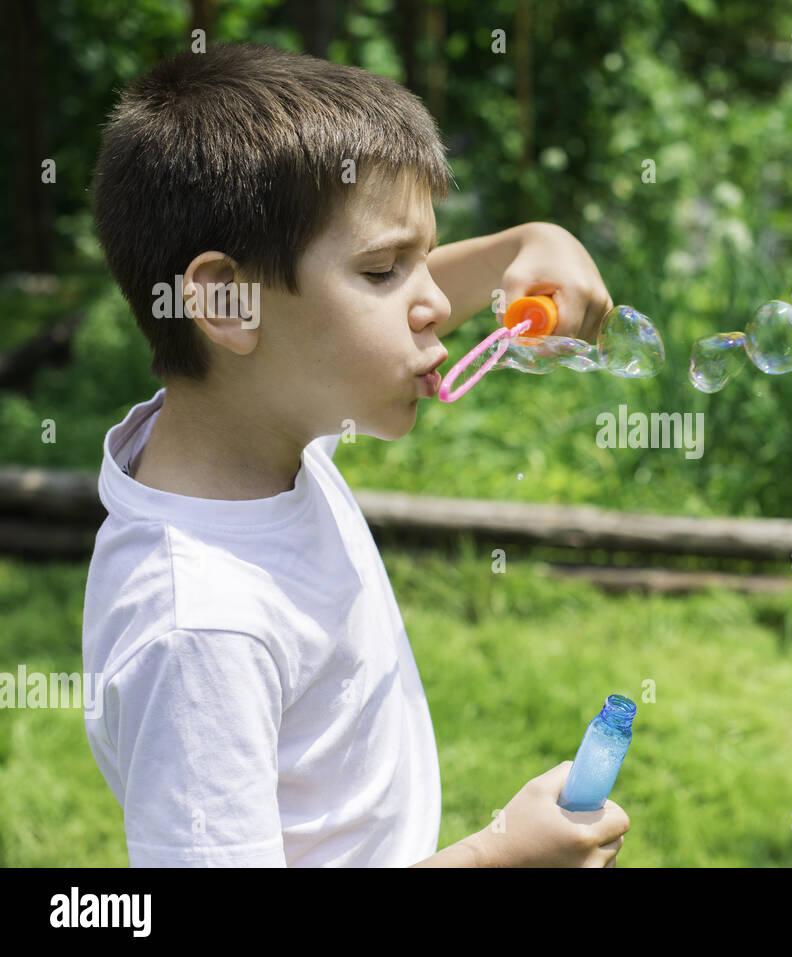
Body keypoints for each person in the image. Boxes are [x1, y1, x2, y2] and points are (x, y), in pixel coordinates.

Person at [81, 41, 628, 867]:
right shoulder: (198, 628)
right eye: (385, 269)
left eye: (422, 259)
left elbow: (326, 331)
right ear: (226, 302)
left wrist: (529, 240)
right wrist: (499, 857)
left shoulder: (255, 426)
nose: (439, 301)